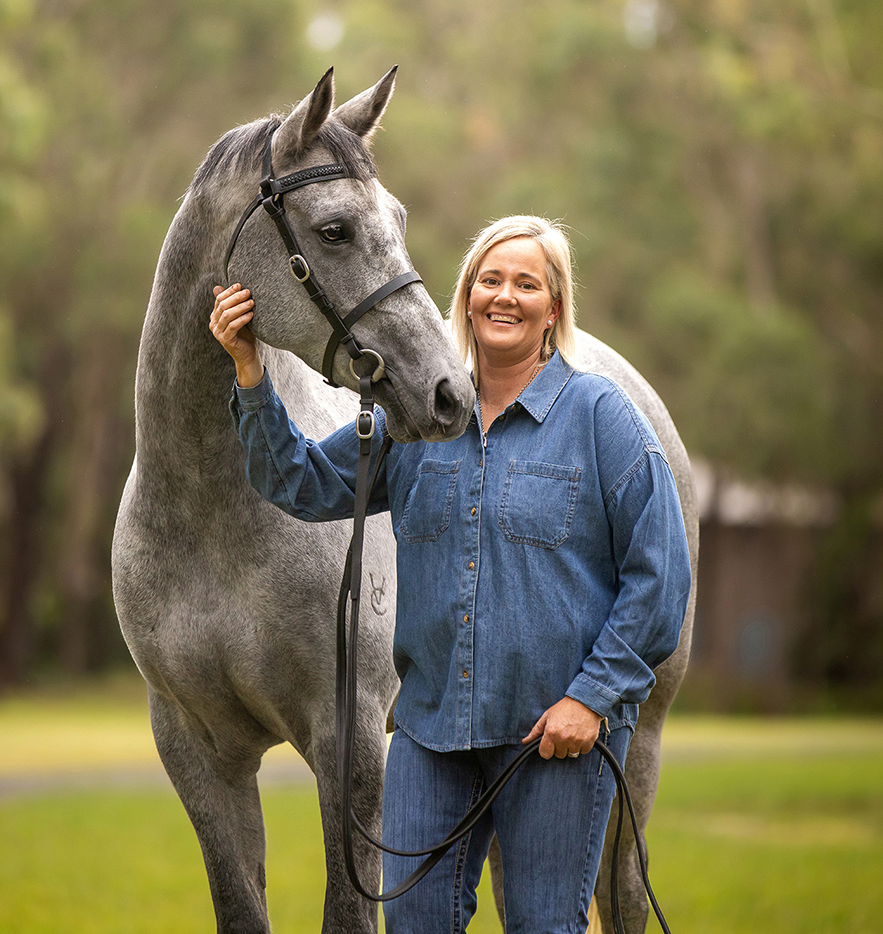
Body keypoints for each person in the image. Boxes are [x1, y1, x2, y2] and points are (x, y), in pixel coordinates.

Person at [211, 215, 691, 933]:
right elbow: (300, 482)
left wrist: (591, 700)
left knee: (543, 926)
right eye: (489, 280)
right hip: (433, 737)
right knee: (414, 924)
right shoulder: (413, 420)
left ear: (554, 308)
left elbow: (660, 579)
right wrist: (250, 370)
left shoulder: (601, 418)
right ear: (465, 297)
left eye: (526, 284)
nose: (505, 296)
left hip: (556, 738)